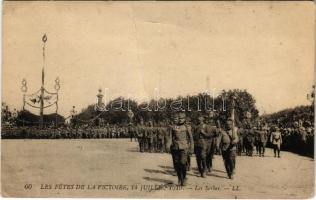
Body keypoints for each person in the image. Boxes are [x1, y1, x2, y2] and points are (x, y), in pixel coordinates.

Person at [168, 112, 194, 186]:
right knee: (177, 164)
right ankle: (180, 178)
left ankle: (184, 177)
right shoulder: (174, 127)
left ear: (184, 119)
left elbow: (191, 138)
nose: (180, 120)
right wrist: (168, 144)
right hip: (175, 147)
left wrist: (192, 148)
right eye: (179, 118)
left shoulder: (187, 127)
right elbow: (170, 137)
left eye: (182, 118)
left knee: (182, 163)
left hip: (184, 147)